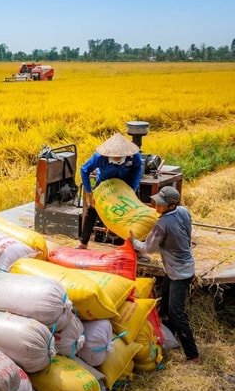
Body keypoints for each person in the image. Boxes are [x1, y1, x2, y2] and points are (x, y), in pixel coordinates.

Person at [128, 186, 200, 363]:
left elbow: (149, 248)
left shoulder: (162, 224)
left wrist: (133, 241)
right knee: (166, 307)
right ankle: (168, 339)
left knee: (176, 313)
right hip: (182, 266)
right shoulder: (183, 212)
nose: (156, 206)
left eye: (161, 204)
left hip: (178, 273)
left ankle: (193, 354)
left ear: (171, 205)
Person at [77, 133, 143, 248]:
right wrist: (89, 192)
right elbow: (84, 170)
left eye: (120, 156)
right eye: (114, 156)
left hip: (126, 186)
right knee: (93, 209)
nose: (117, 158)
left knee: (132, 212)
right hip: (104, 185)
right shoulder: (99, 158)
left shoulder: (133, 157)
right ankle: (83, 243)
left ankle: (134, 247)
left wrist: (133, 188)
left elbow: (138, 169)